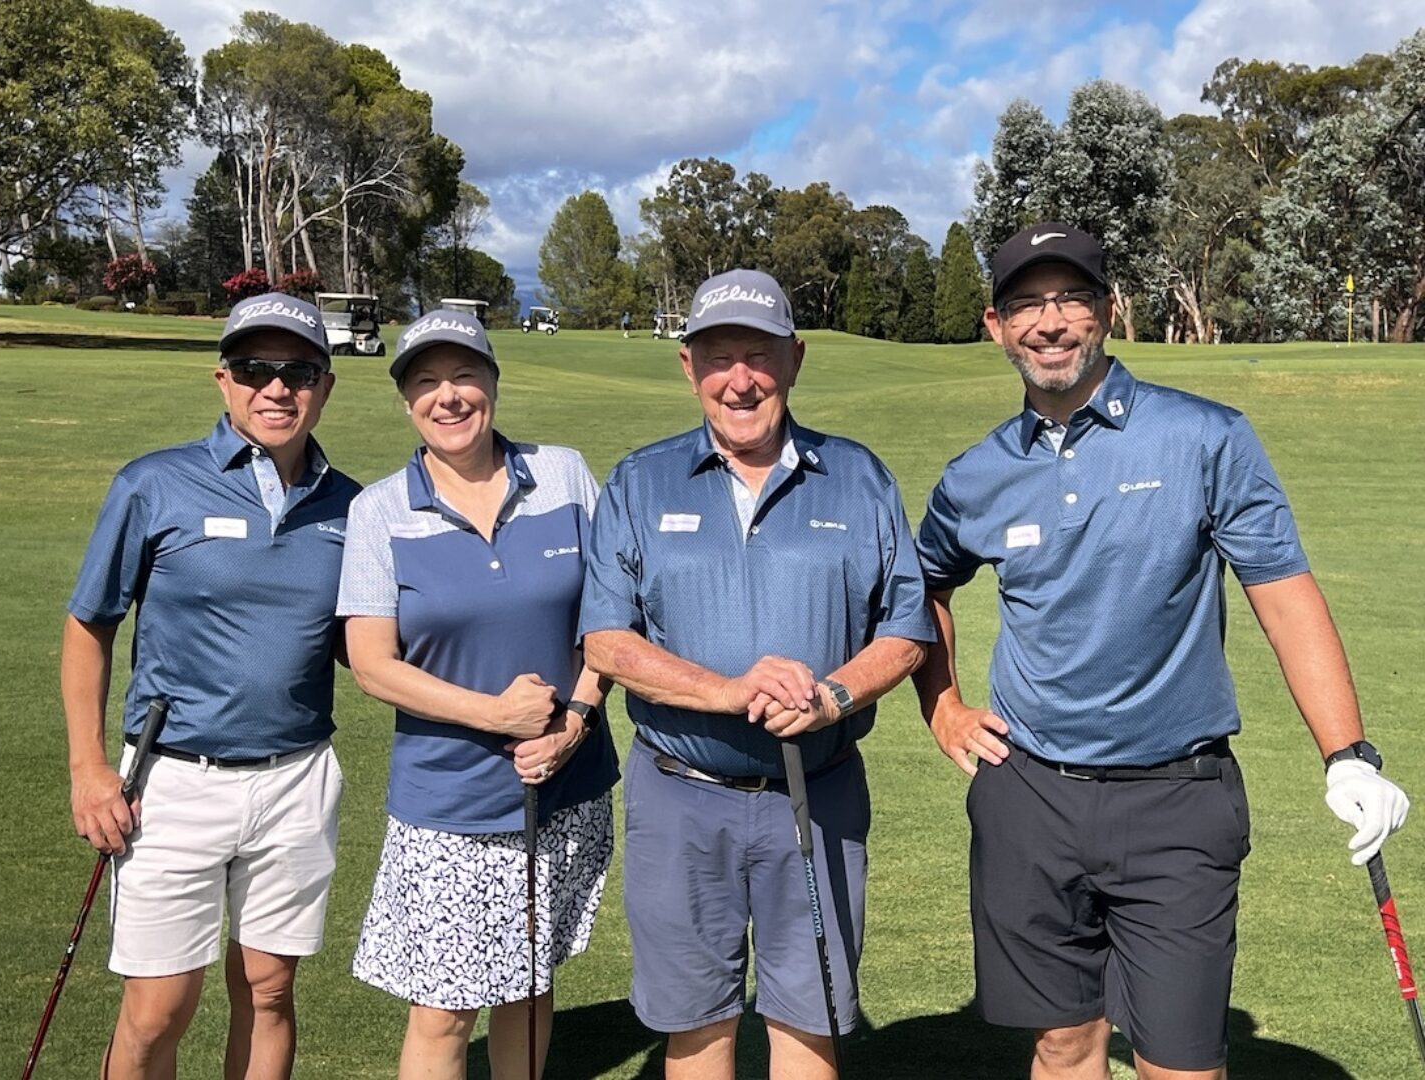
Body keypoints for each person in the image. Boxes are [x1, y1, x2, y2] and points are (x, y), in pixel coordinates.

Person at [913, 222, 1411, 1080]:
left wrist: (1346, 754)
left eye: (1071, 298)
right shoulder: (975, 474)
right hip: (1028, 797)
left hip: (1176, 799)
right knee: (1062, 1045)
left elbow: (1282, 593)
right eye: (1025, 304)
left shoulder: (1205, 437)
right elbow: (924, 587)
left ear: (1108, 310)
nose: (1049, 322)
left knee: (1180, 1065)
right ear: (996, 326)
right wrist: (943, 706)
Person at [580, 269, 934, 1079]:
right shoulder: (639, 482)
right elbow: (605, 641)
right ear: (688, 367)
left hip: (817, 794)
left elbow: (906, 628)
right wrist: (732, 692)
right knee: (695, 1027)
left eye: (759, 354)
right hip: (679, 798)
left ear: (795, 359)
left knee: (809, 1024)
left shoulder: (860, 478)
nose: (739, 379)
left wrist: (832, 697)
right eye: (718, 357)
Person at [63, 292, 360, 1080]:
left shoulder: (352, 506)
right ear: (223, 379)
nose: (277, 388)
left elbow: (367, 647)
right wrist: (89, 768)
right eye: (255, 368)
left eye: (299, 371)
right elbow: (89, 624)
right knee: (157, 1009)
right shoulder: (155, 484)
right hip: (172, 779)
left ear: (326, 387)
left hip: (297, 778)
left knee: (269, 991)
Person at [337, 308, 618, 1079]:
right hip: (450, 800)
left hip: (568, 788)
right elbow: (372, 664)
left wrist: (575, 722)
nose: (449, 396)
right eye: (426, 382)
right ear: (406, 401)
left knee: (530, 983)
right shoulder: (380, 511)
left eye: (465, 375)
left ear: (493, 383)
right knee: (444, 1010)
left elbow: (611, 620)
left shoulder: (563, 475)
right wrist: (496, 714)